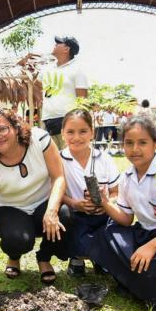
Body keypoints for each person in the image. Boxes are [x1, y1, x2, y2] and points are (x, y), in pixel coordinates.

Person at [89, 115, 156, 305]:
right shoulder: (127, 178)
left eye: (142, 142)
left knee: (152, 269)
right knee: (106, 235)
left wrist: (152, 247)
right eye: (129, 143)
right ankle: (139, 281)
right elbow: (126, 219)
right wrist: (104, 202)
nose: (135, 149)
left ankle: (148, 285)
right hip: (142, 233)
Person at [0, 108, 67, 284]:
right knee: (18, 239)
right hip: (12, 211)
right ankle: (13, 256)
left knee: (65, 215)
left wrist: (52, 211)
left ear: (16, 127)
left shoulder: (39, 140)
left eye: (2, 129)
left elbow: (59, 177)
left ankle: (44, 257)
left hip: (43, 204)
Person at [59, 110, 120, 276]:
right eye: (70, 132)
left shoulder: (104, 159)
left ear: (92, 133)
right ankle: (76, 256)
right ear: (62, 133)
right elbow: (55, 193)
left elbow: (116, 191)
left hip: (102, 215)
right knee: (66, 216)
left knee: (112, 226)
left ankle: (100, 257)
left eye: (83, 131)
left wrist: (108, 204)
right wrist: (75, 203)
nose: (76, 137)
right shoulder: (59, 160)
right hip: (75, 215)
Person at [41, 36, 88, 149]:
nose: (55, 44)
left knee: (69, 161)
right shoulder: (48, 69)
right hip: (48, 120)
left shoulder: (77, 70)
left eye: (59, 43)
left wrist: (80, 126)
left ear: (66, 49)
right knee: (52, 162)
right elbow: (28, 78)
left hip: (67, 120)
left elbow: (82, 100)